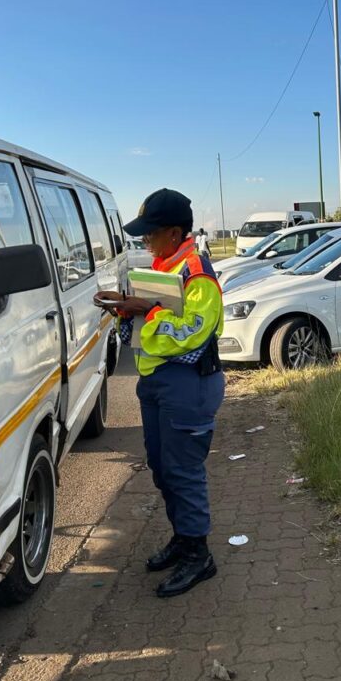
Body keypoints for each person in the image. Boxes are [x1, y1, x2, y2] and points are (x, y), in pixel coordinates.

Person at [95, 188, 225, 598]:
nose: (145, 240)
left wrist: (143, 311)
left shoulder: (195, 272)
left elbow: (191, 334)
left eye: (151, 233)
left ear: (174, 232)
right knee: (162, 467)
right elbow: (162, 322)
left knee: (183, 472)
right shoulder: (162, 266)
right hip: (157, 383)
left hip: (188, 384)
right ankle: (183, 539)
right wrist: (126, 305)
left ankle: (198, 554)